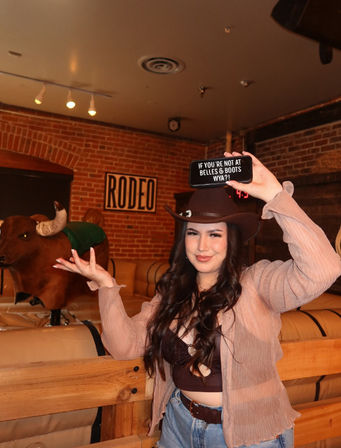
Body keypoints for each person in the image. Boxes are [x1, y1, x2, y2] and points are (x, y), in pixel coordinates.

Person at [53, 151, 341, 448]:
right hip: (179, 424)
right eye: (193, 233)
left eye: (215, 234)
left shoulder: (257, 283)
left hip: (248, 435)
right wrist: (107, 287)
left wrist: (274, 194)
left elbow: (325, 268)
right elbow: (124, 346)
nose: (202, 245)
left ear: (231, 240)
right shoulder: (172, 293)